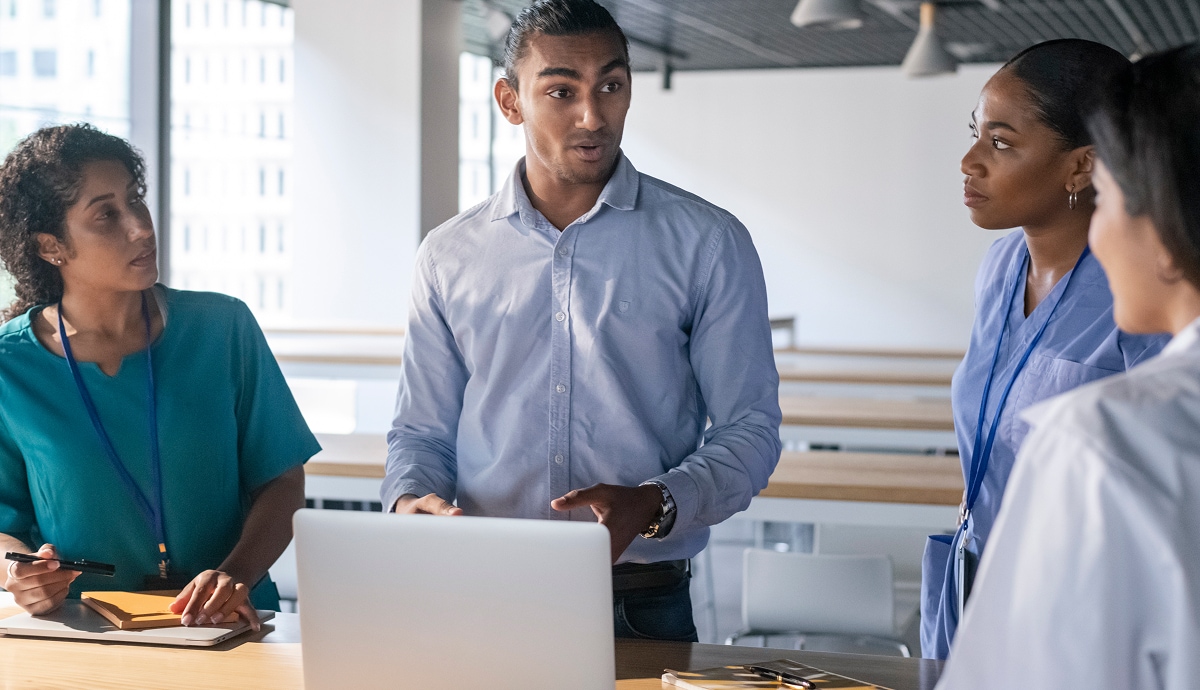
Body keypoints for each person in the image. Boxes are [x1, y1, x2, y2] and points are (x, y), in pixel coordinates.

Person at [382, 0, 781, 642]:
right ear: (510, 102)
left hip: (639, 605)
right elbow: (422, 432)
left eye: (611, 87)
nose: (592, 116)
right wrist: (410, 499)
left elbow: (751, 430)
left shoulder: (708, 242)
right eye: (561, 91)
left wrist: (656, 502)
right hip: (480, 592)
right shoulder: (448, 254)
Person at [936, 45, 1200, 689]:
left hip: (1081, 589)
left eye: (1001, 142)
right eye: (977, 136)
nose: (970, 162)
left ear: (1084, 167)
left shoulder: (1105, 414)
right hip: (979, 565)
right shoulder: (999, 270)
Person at [0, 124, 319, 629]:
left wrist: (236, 572)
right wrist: (17, 573)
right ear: (50, 246)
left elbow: (280, 478)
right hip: (86, 636)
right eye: (106, 214)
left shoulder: (223, 328)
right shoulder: (9, 366)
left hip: (228, 626)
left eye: (136, 200)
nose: (141, 227)